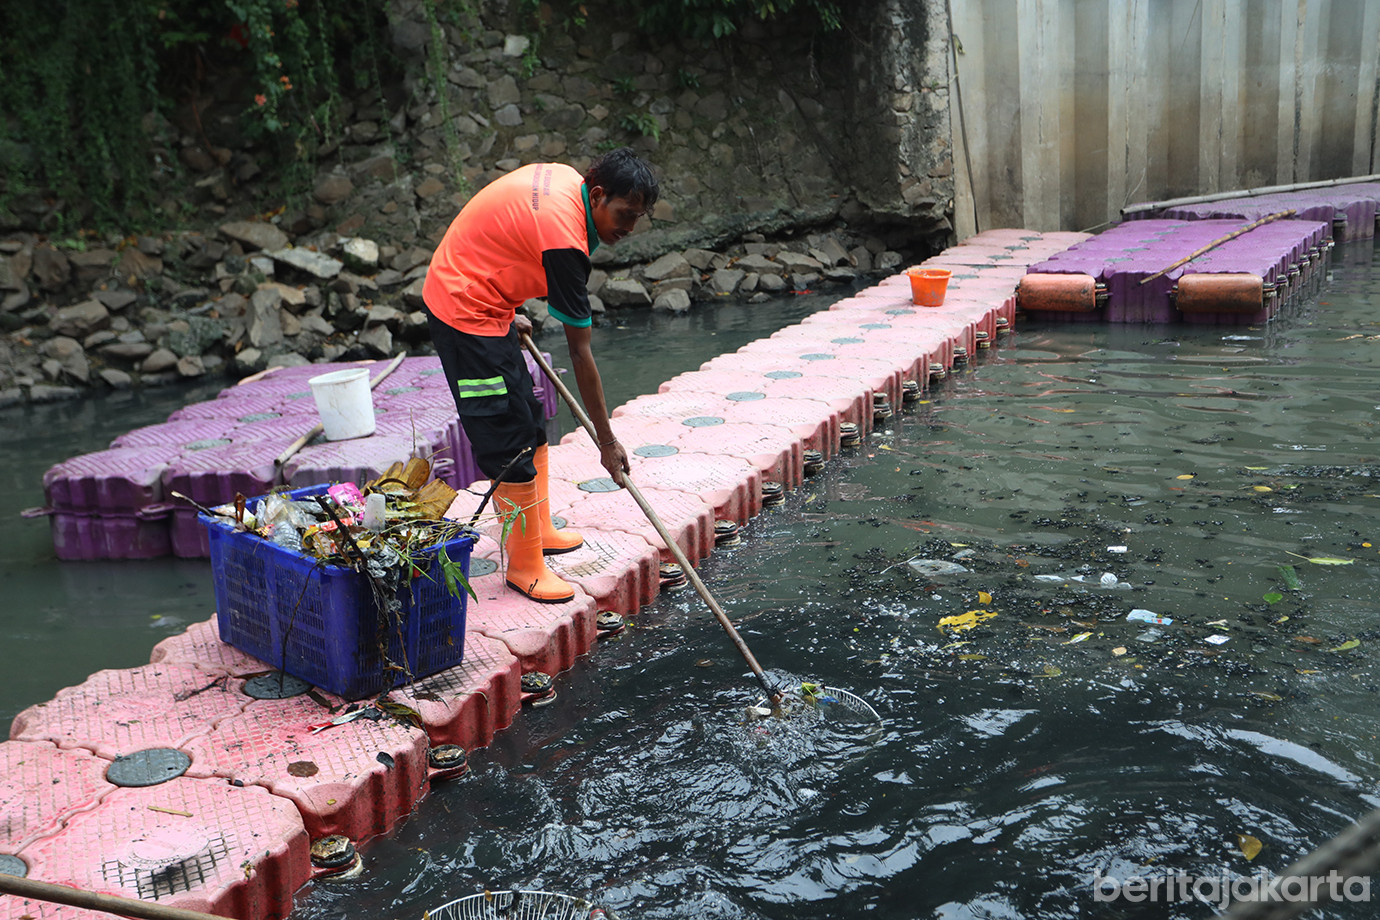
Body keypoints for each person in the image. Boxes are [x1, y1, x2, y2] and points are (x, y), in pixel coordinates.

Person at [423, 147, 659, 604]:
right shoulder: (566, 239)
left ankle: (540, 530)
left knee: (529, 417)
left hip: (489, 301)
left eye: (637, 218)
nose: (628, 228)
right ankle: (525, 568)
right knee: (506, 436)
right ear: (597, 195)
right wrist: (607, 442)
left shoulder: (569, 187)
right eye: (623, 214)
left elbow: (505, 235)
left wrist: (508, 307)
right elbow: (580, 350)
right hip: (463, 311)